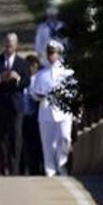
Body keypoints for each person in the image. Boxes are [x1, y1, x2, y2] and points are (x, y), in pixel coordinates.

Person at [0, 33, 31, 175]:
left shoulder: (22, 63)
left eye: (11, 44)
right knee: (1, 137)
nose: (8, 47)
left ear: (16, 46)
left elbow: (27, 81)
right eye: (6, 44)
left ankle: (14, 168)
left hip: (16, 105)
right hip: (0, 104)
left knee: (16, 136)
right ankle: (3, 166)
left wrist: (17, 79)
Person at [30, 41, 75, 176]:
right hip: (46, 113)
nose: (50, 55)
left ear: (59, 54)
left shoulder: (67, 73)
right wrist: (39, 95)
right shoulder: (41, 74)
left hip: (63, 112)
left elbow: (73, 93)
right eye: (48, 52)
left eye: (53, 52)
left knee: (65, 138)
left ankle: (61, 162)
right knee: (47, 144)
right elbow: (34, 93)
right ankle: (50, 170)